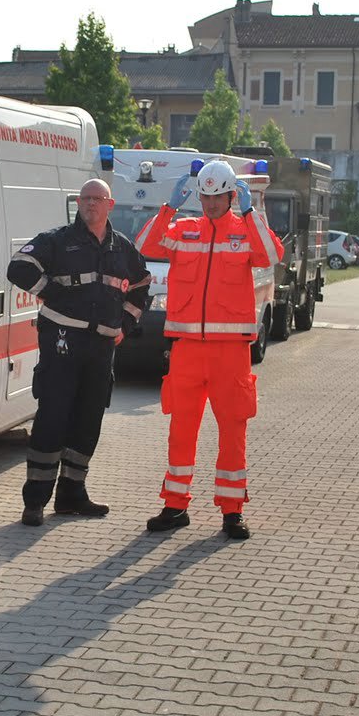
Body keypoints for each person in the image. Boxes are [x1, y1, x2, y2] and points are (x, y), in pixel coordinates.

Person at [136, 159, 283, 540]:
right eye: (206, 196)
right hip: (186, 350)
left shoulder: (246, 231)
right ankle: (175, 505)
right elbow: (144, 246)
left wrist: (251, 214)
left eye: (219, 197)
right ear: (198, 195)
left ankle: (232, 511)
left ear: (232, 196)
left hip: (230, 353)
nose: (211, 203)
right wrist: (168, 208)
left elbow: (270, 255)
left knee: (233, 430)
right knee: (180, 429)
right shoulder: (185, 230)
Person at [6, 179, 152, 526]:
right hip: (62, 342)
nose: (89, 204)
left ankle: (72, 495)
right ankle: (35, 502)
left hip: (100, 348)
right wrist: (53, 294)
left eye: (96, 199)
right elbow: (18, 267)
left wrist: (126, 326)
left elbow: (143, 284)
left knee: (88, 421)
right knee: (53, 418)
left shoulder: (122, 248)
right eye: (84, 199)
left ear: (110, 204)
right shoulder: (58, 240)